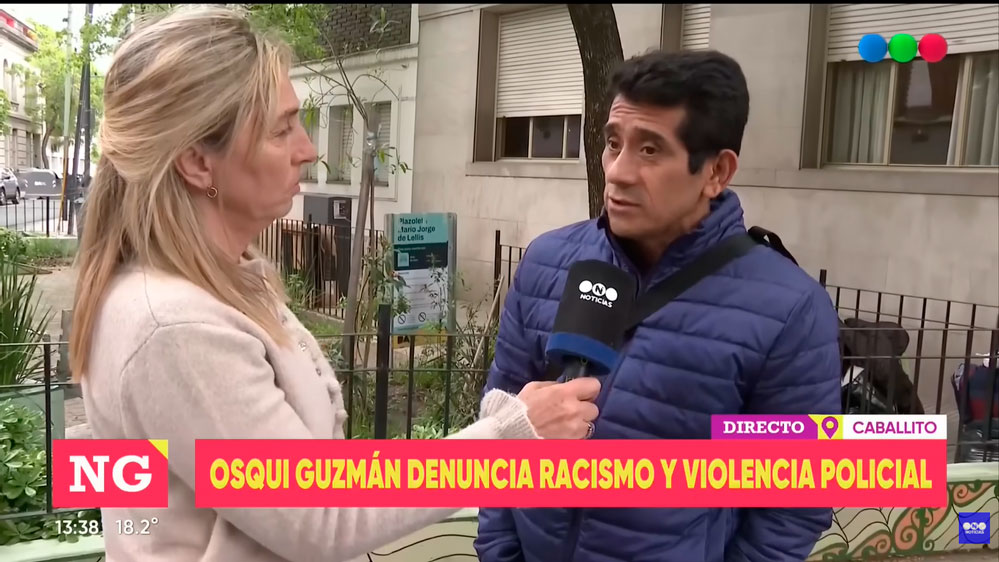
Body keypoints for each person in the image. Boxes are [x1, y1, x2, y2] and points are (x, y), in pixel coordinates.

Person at [70, 6, 601, 562]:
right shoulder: (175, 326)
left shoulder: (220, 284)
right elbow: (320, 514)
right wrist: (507, 438)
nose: (308, 149)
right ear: (199, 163)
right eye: (281, 129)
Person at [474, 49, 842, 562]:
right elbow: (502, 424)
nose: (618, 172)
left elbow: (792, 503)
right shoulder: (546, 262)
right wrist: (500, 554)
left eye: (650, 150)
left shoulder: (790, 310)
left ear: (716, 171)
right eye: (613, 143)